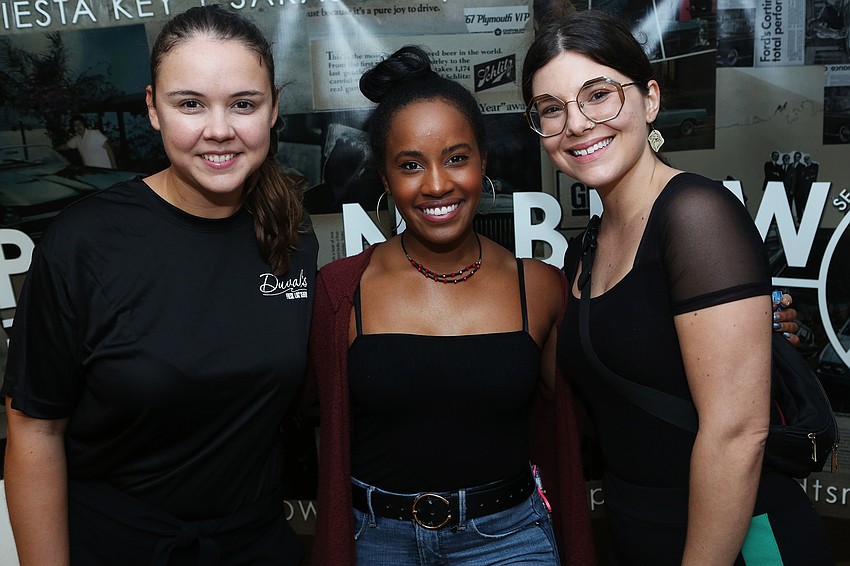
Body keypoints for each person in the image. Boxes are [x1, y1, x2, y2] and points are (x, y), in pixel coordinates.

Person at [2, 5, 317, 565]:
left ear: (273, 111)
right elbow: (35, 434)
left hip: (255, 544)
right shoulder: (84, 244)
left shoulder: (290, 232)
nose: (218, 129)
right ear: (152, 108)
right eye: (190, 104)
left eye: (243, 104)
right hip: (121, 546)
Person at [520, 9, 832, 565]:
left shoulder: (695, 215)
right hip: (639, 529)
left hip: (736, 540)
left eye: (598, 95)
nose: (576, 123)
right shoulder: (588, 245)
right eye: (551, 110)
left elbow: (736, 434)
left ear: (650, 100)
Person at [308, 45, 594, 566]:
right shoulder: (340, 290)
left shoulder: (542, 287)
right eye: (411, 165)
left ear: (483, 161)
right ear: (385, 179)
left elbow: (601, 396)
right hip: (377, 542)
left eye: (456, 158)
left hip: (510, 543)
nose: (437, 184)